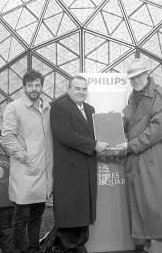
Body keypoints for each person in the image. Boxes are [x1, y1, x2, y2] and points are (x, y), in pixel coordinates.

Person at [117, 59, 162, 253]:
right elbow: (128, 120)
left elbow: (157, 129)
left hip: (150, 157)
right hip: (136, 157)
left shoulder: (159, 95)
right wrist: (112, 126)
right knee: (141, 204)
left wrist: (131, 145)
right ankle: (149, 246)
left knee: (153, 205)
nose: (136, 80)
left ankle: (157, 247)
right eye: (132, 78)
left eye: (139, 76)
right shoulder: (134, 95)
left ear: (147, 74)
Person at [50, 75, 109, 253]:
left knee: (83, 212)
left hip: (87, 169)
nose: (81, 92)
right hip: (70, 172)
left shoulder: (90, 109)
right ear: (69, 89)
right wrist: (94, 145)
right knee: (70, 212)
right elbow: (65, 135)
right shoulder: (59, 108)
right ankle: (70, 248)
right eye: (77, 88)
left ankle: (79, 245)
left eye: (84, 89)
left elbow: (97, 133)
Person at [1, 69, 53, 253]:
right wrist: (25, 156)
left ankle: (33, 249)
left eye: (37, 85)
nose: (34, 88)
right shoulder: (14, 107)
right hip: (25, 172)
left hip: (43, 174)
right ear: (24, 86)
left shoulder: (47, 108)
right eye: (30, 85)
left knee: (37, 217)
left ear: (41, 86)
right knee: (21, 218)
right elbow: (6, 137)